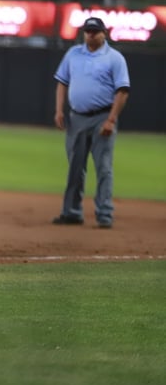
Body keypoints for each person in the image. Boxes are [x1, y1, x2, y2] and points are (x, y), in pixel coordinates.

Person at [52, 17, 130, 229]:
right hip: (77, 117)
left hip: (102, 117)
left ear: (104, 33)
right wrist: (59, 110)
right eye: (88, 31)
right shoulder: (73, 54)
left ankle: (104, 214)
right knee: (75, 167)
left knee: (103, 168)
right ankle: (72, 212)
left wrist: (111, 119)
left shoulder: (114, 58)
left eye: (95, 31)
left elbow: (122, 91)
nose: (91, 34)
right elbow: (62, 82)